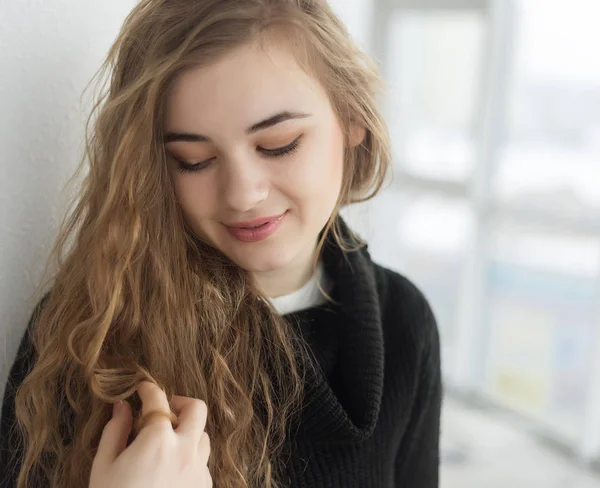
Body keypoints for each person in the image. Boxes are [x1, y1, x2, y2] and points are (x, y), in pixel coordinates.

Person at [0, 0, 442, 487]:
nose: (242, 194)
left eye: (279, 144)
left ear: (351, 120)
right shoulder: (88, 334)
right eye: (193, 160)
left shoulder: (405, 320)